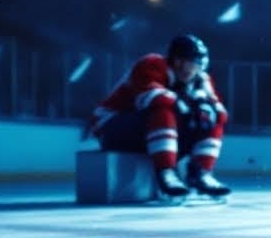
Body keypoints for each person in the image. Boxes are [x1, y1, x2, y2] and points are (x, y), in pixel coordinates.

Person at [87, 34, 231, 197]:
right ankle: (165, 172)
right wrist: (184, 104)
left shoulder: (202, 79)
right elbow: (151, 97)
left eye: (192, 63)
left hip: (146, 129)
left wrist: (205, 109)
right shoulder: (151, 65)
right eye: (182, 61)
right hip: (111, 125)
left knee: (211, 117)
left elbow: (221, 113)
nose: (187, 68)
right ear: (174, 59)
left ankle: (201, 172)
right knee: (163, 107)